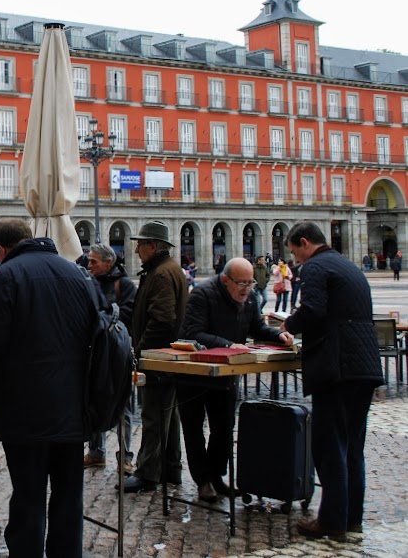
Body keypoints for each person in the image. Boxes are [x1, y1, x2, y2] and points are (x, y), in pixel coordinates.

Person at [0, 218, 94, 557]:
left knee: (28, 493)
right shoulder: (76, 273)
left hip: (24, 406)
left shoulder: (6, 276)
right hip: (73, 403)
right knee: (69, 493)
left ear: (1, 249)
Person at [283, 222, 383, 540]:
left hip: (336, 365)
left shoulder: (315, 268)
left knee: (330, 446)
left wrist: (289, 324)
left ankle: (332, 521)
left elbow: (313, 310)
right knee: (353, 445)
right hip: (365, 365)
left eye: (294, 252)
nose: (295, 259)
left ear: (304, 243)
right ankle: (352, 518)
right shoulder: (349, 267)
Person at [180, 258, 294, 502]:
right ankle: (203, 481)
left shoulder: (250, 298)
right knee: (194, 429)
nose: (246, 288)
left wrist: (279, 335)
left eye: (250, 282)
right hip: (195, 374)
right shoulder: (202, 294)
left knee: (223, 426)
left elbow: (257, 328)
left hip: (227, 375)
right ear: (225, 280)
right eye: (240, 283)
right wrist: (228, 345)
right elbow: (193, 332)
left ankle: (216, 475)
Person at [122, 221, 188, 493]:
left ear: (152, 246)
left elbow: (162, 319)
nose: (136, 249)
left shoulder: (160, 274)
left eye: (140, 244)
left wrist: (142, 351)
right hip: (166, 355)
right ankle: (171, 468)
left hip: (158, 355)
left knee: (153, 414)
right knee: (167, 414)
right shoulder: (167, 269)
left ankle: (148, 472)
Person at [83, 243, 137, 474]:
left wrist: (103, 320)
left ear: (108, 262)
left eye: (94, 261)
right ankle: (97, 451)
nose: (89, 264)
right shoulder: (88, 283)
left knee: (123, 404)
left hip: (118, 354)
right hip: (95, 353)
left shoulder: (123, 285)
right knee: (94, 399)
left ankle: (125, 456)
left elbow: (127, 315)